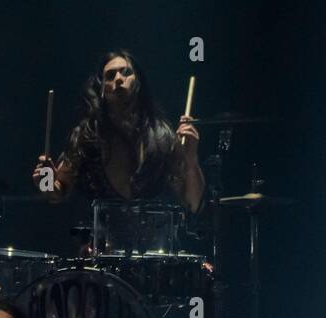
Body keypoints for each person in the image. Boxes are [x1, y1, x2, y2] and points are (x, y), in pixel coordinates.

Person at [32, 49, 205, 212]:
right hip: (100, 242)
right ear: (101, 89)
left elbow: (193, 203)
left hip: (152, 240)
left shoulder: (163, 137)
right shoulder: (87, 136)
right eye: (110, 75)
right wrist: (46, 183)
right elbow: (56, 194)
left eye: (126, 72)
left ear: (138, 82)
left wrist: (191, 159)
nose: (119, 79)